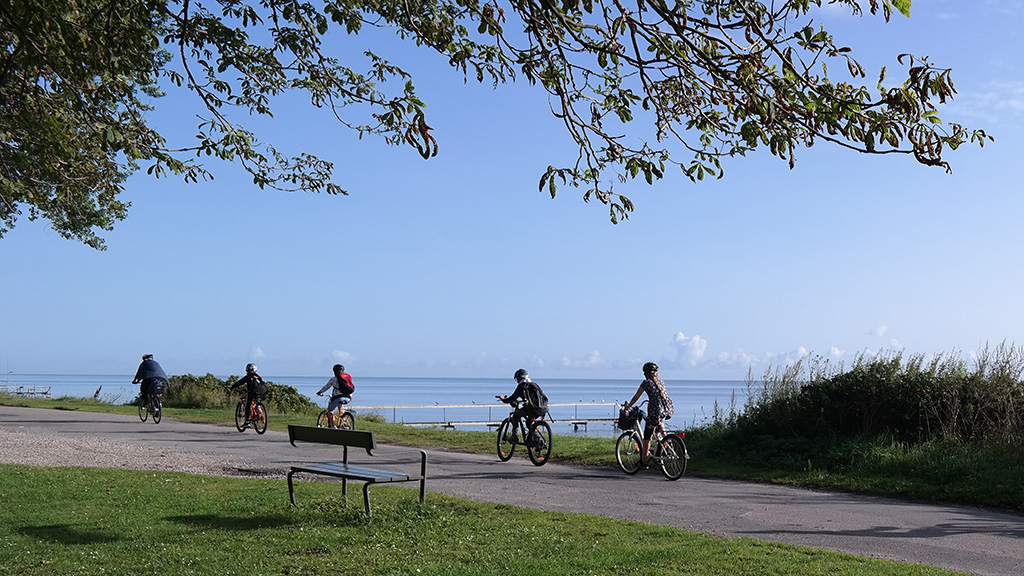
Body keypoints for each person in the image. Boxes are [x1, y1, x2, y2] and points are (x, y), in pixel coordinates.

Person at [622, 362, 675, 468]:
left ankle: (644, 462)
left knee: (647, 436)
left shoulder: (646, 383)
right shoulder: (661, 382)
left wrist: (628, 406)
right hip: (667, 410)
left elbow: (636, 397)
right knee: (662, 431)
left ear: (645, 373)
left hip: (655, 412)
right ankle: (669, 448)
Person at [497, 368, 548, 443]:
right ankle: (538, 440)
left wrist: (503, 399)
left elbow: (512, 398)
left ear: (519, 378)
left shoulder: (522, 386)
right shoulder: (535, 385)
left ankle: (515, 436)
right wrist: (543, 411)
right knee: (529, 423)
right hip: (542, 408)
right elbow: (543, 397)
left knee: (515, 416)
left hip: (531, 409)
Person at [316, 364, 354, 428]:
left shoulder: (333, 379)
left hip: (338, 397)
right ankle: (343, 420)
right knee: (341, 406)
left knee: (330, 411)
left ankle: (333, 426)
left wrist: (320, 392)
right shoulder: (346, 378)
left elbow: (327, 387)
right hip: (348, 397)